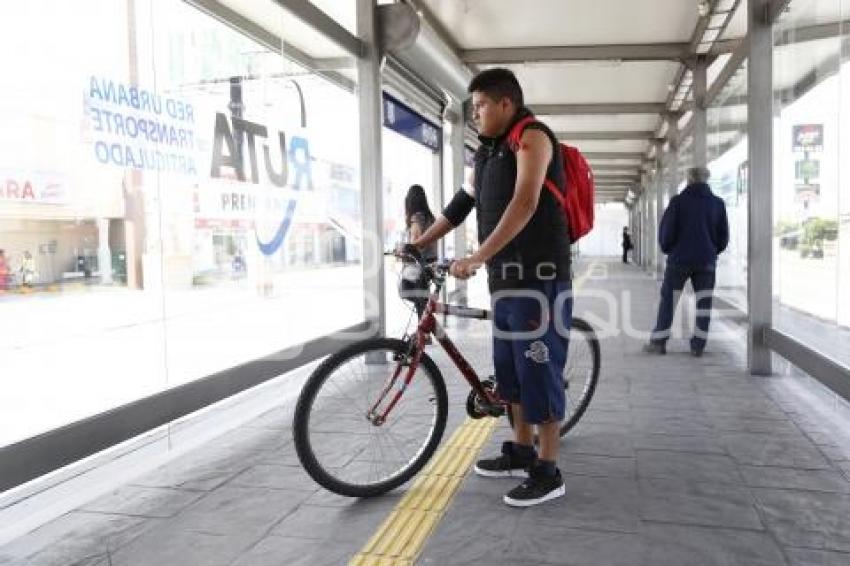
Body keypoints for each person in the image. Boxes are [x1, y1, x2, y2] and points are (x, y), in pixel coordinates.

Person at [411, 68, 571, 507]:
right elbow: (460, 206)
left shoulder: (533, 136)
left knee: (539, 370)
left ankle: (549, 470)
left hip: (539, 277)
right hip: (505, 280)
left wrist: (477, 257)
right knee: (511, 373)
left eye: (480, 105)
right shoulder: (486, 154)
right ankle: (521, 451)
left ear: (506, 103)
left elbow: (525, 201)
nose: (475, 114)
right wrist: (419, 243)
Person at [644, 166, 729, 357]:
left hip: (679, 260)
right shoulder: (717, 204)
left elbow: (666, 231)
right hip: (706, 261)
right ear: (706, 180)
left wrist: (669, 249)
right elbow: (723, 236)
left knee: (669, 301)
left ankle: (659, 342)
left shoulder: (678, 202)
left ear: (689, 180)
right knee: (704, 303)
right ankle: (698, 346)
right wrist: (713, 250)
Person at [401, 184, 438, 319]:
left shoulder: (416, 218)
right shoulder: (430, 217)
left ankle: (424, 329)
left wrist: (402, 250)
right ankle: (424, 330)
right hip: (431, 263)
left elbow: (415, 243)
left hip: (419, 264)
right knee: (421, 297)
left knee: (406, 292)